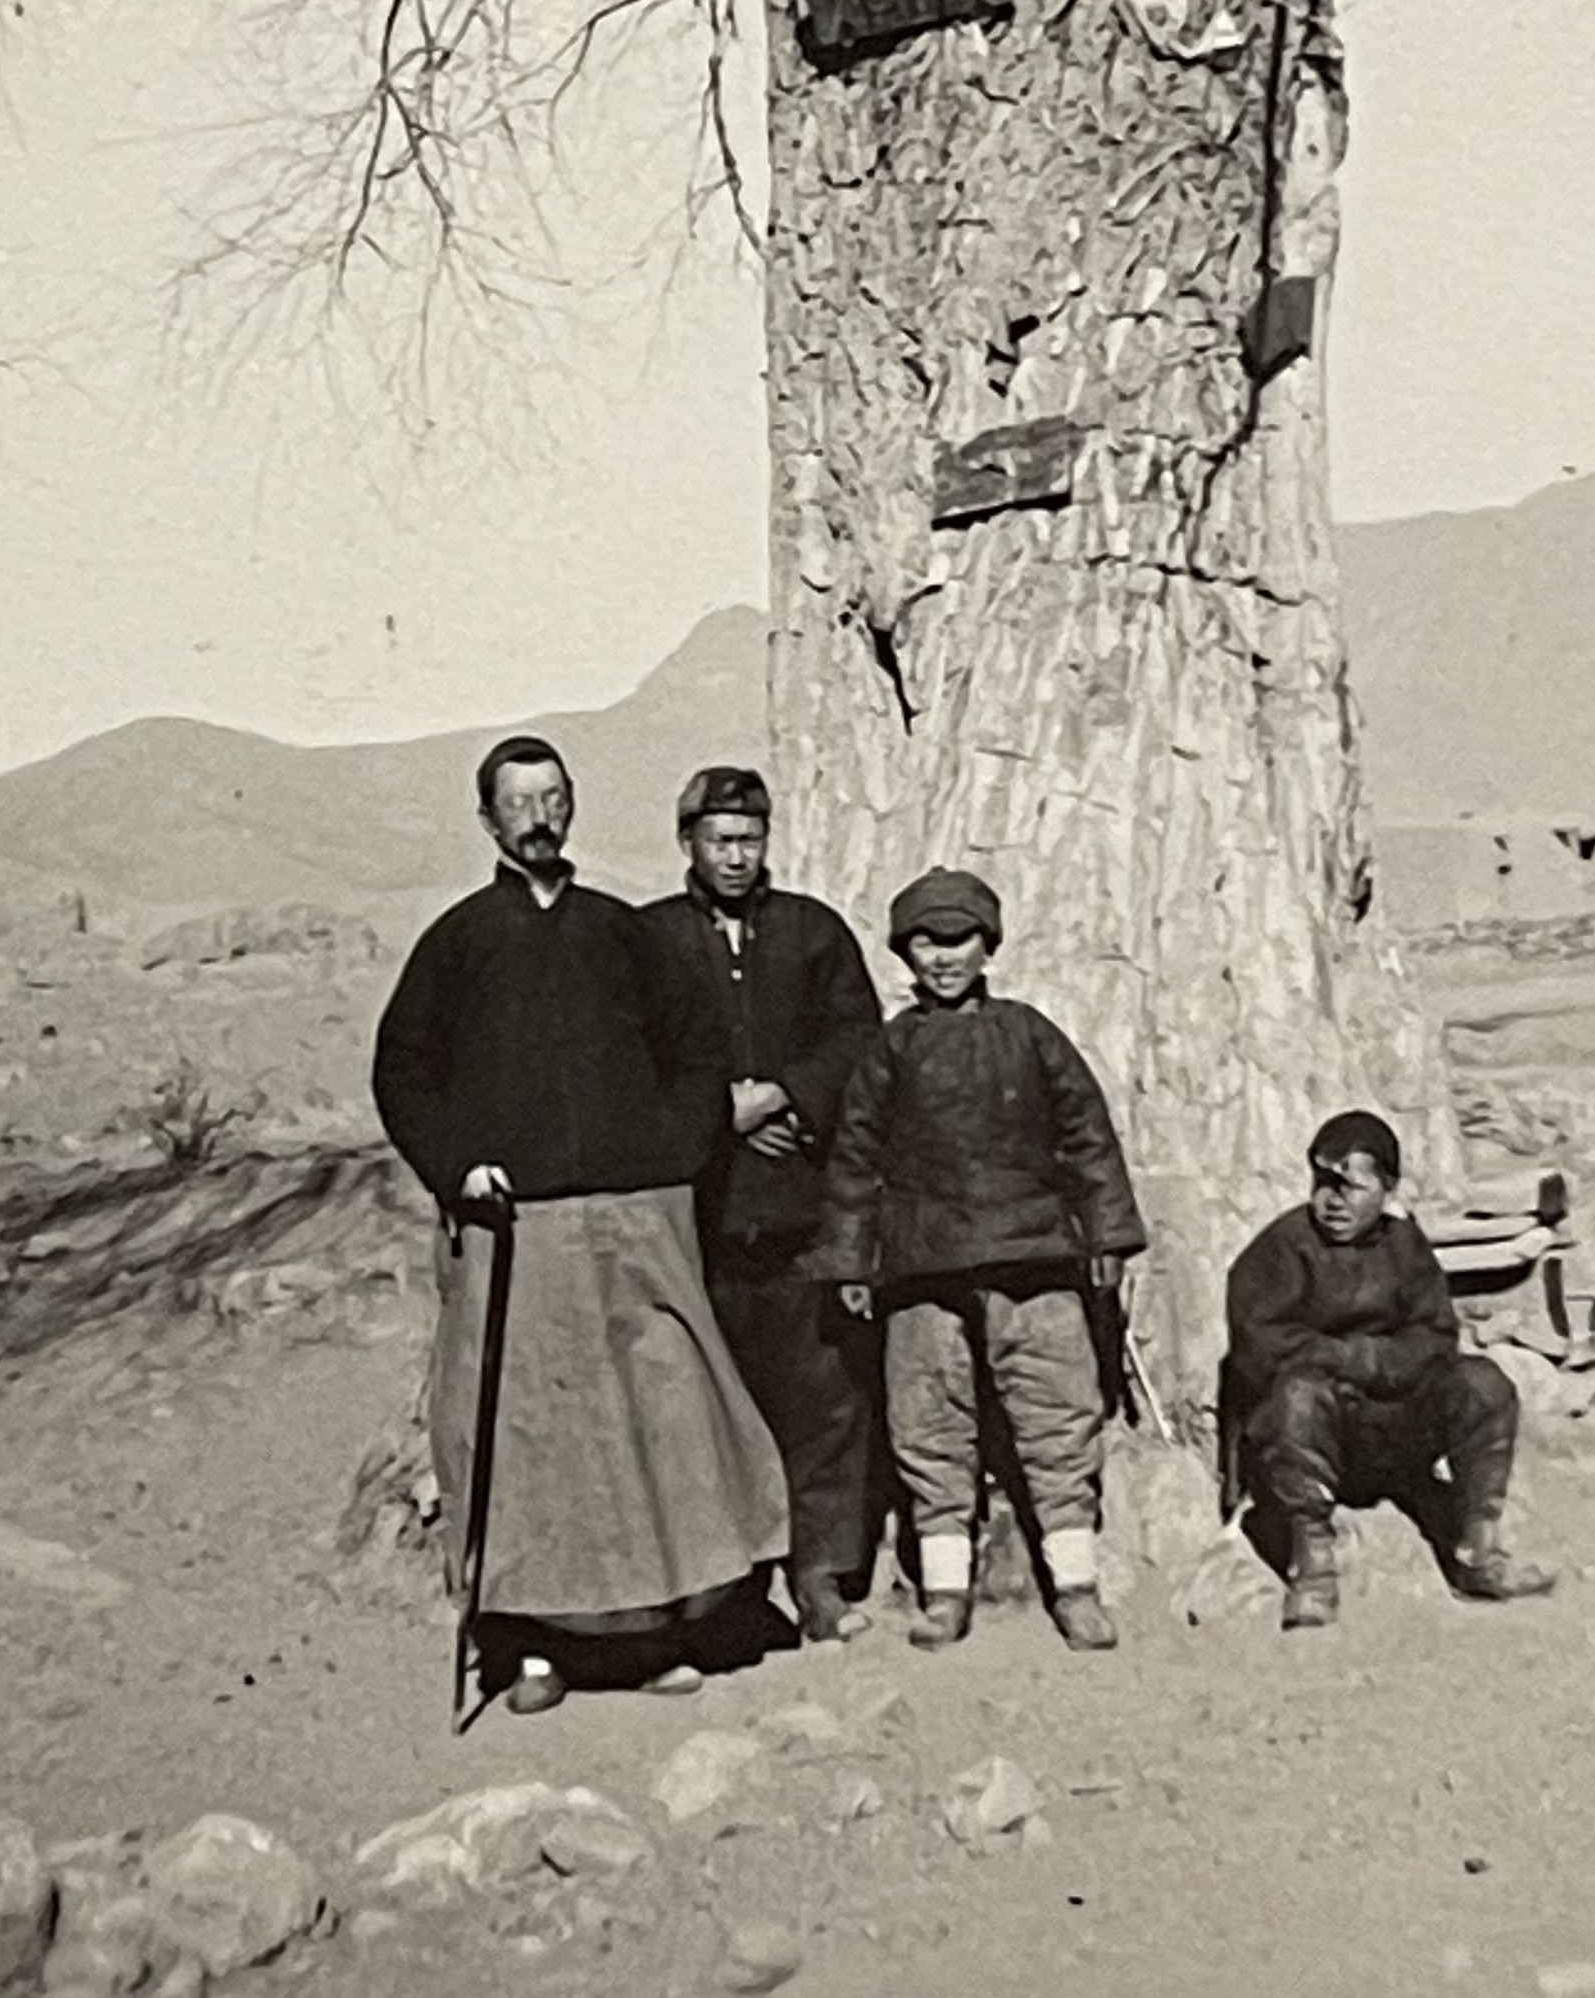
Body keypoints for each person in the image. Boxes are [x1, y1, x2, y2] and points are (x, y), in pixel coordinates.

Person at [371, 734, 789, 1716]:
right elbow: (404, 1072)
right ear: (487, 820)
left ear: (573, 806)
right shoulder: (458, 941)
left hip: (637, 1217)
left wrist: (674, 1149)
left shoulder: (622, 932)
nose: (538, 817)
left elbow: (696, 1051)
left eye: (553, 797)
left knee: (657, 1419)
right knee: (530, 1434)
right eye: (518, 802)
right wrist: (458, 1165)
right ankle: (531, 1649)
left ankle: (653, 1636)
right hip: (517, 1226)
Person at [811, 865, 1145, 1654]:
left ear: (987, 945)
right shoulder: (891, 1049)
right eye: (925, 942)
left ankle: (1076, 1587)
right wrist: (853, 1262)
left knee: (1058, 1420)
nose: (942, 957)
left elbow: (1086, 1136)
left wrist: (1107, 1237)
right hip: (923, 1267)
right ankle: (945, 1592)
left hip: (1034, 1260)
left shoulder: (1030, 1034)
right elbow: (855, 1161)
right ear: (905, 952)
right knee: (929, 1427)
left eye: (958, 939)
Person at [637, 766, 886, 1646]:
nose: (736, 857)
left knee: (825, 1400)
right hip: (700, 1218)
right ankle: (731, 1587)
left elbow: (859, 1039)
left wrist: (785, 1095)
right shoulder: (649, 940)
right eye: (719, 841)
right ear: (688, 845)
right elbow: (633, 1058)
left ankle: (820, 1576)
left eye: (749, 839)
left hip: (801, 1212)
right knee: (710, 1406)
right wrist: (723, 1114)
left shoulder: (813, 933)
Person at [1223, 1108, 1557, 1628]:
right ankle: (1313, 1568)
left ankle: (1478, 1551)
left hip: (1395, 1426)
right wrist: (1345, 1360)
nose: (1333, 1200)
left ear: (1387, 1189)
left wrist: (1374, 1362)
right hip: (1316, 1436)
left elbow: (1435, 1336)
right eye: (1322, 1184)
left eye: (1351, 1187)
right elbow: (1259, 1346)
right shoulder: (1280, 1250)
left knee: (1483, 1385)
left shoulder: (1405, 1247)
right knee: (1297, 1396)